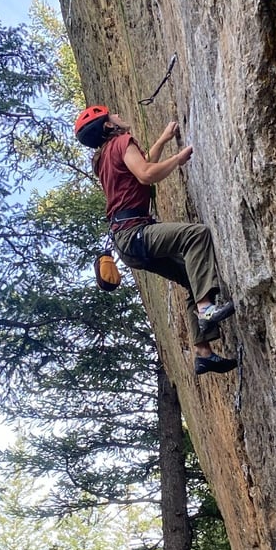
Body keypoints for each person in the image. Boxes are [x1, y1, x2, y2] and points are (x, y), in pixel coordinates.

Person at [75, 105, 237, 375]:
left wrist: (162, 140)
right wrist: (178, 159)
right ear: (107, 126)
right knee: (195, 235)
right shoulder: (121, 142)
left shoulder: (105, 156)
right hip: (135, 233)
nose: (117, 114)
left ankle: (203, 353)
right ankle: (206, 309)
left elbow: (142, 165)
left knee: (190, 278)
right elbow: (146, 174)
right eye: (111, 114)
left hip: (127, 242)